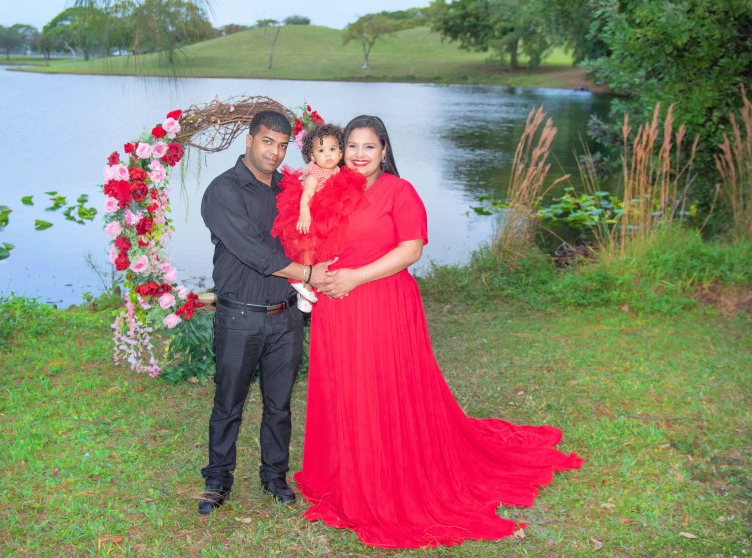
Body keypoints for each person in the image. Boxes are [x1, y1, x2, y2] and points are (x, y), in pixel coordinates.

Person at [294, 115, 582, 548]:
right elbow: (308, 239)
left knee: (383, 387)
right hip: (336, 308)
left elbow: (411, 250)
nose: (358, 154)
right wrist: (315, 271)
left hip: (382, 301)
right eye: (351, 145)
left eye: (369, 146)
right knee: (345, 387)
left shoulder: (400, 191)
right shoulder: (329, 188)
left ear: (384, 151)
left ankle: (388, 474)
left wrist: (356, 276)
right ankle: (347, 472)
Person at [198, 110, 330, 515]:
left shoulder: (291, 189)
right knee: (228, 402)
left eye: (282, 144)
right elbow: (255, 253)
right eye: (267, 141)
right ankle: (218, 479)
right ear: (249, 140)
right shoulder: (223, 191)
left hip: (286, 315)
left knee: (279, 404)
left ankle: (274, 476)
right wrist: (309, 274)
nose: (274, 151)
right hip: (240, 316)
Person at [270, 123, 367, 313]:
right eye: (321, 151)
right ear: (313, 156)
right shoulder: (314, 173)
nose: (328, 154)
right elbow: (307, 194)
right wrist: (304, 213)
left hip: (326, 217)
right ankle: (301, 282)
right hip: (310, 216)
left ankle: (312, 288)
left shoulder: (339, 171)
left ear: (341, 152)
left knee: (324, 253)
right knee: (308, 246)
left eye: (332, 149)